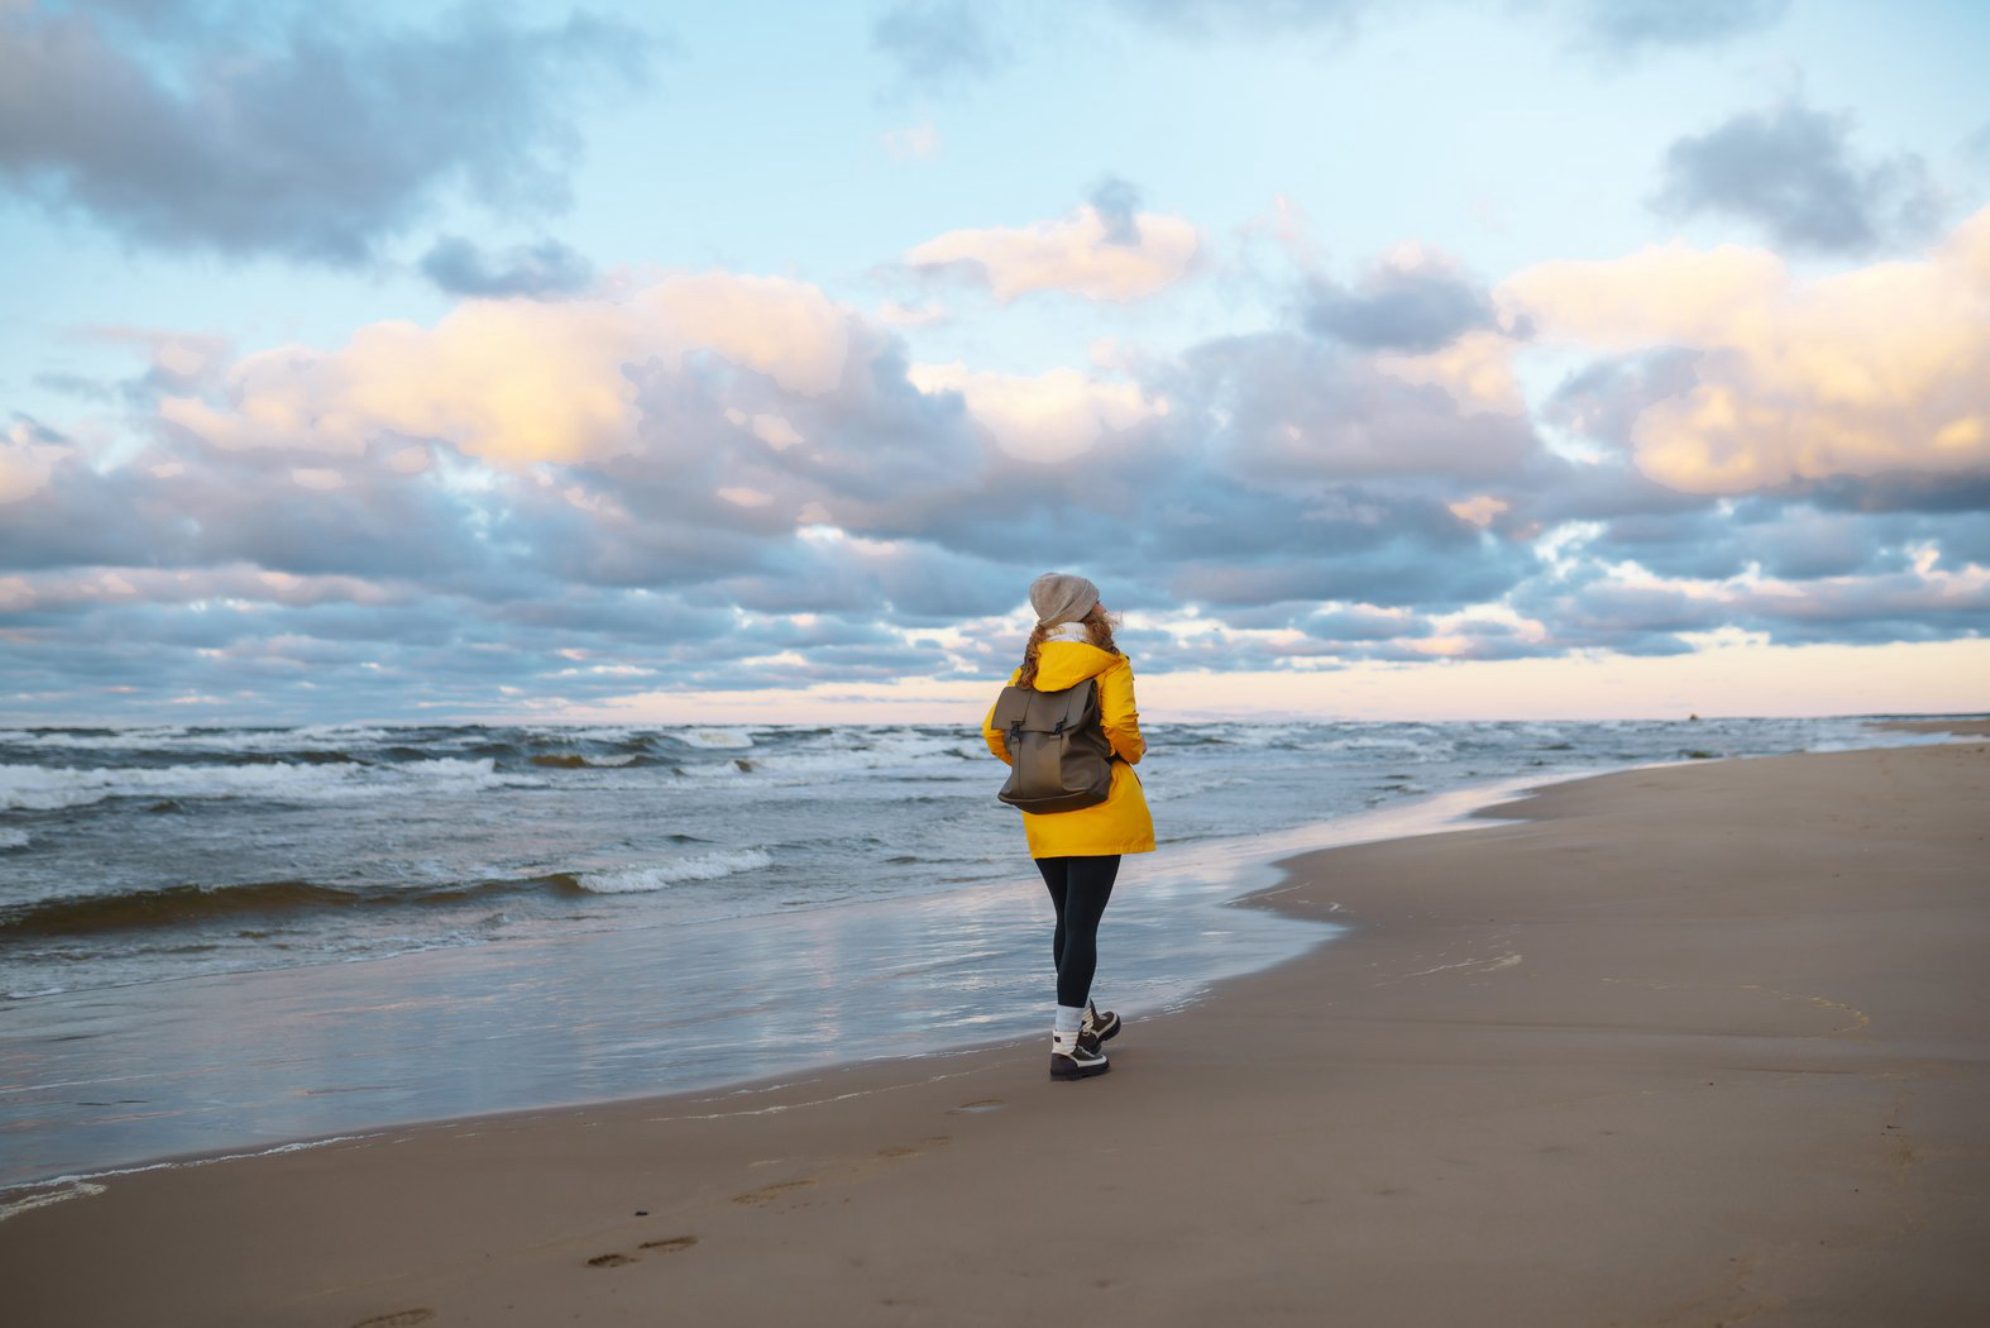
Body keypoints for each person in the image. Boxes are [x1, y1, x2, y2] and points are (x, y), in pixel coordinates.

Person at [982, 572, 1156, 1081]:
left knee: (1067, 920)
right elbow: (1122, 727)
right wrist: (1132, 756)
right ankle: (1067, 1047)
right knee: (1082, 926)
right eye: (1096, 602)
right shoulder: (1108, 664)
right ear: (1086, 613)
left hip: (1044, 811)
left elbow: (995, 732)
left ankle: (1083, 1024)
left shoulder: (1028, 670)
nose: (1103, 607)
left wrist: (1040, 766)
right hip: (1098, 806)